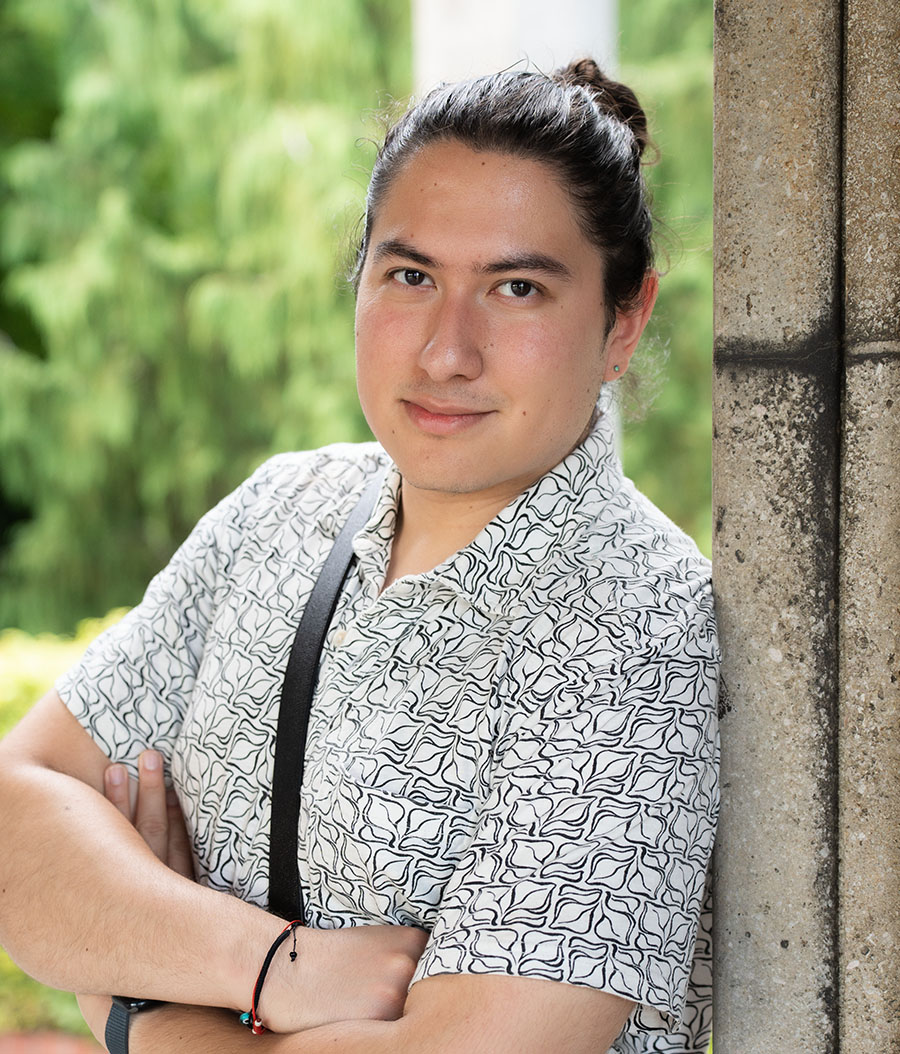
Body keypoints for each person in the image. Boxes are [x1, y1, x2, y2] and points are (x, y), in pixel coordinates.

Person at [0, 58, 718, 1054]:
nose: (445, 351)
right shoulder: (282, 513)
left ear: (622, 322)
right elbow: (15, 817)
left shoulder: (633, 618)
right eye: (411, 275)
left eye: (516, 287)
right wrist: (261, 964)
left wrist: (142, 1000)